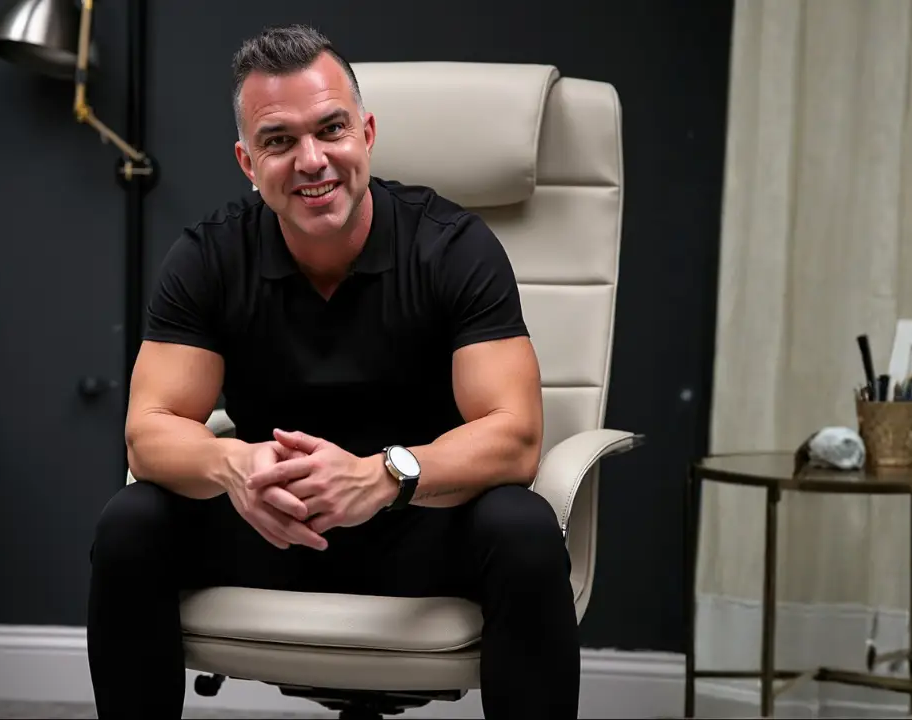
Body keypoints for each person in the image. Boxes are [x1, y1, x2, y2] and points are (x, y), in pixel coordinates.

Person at [86, 24, 579, 720]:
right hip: (272, 524)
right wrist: (238, 467)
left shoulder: (454, 247)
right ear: (246, 162)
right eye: (279, 141)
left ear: (367, 134)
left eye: (331, 129)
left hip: (421, 525)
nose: (312, 160)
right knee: (130, 522)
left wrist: (382, 476)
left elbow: (517, 438)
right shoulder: (208, 256)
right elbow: (148, 433)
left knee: (522, 528)